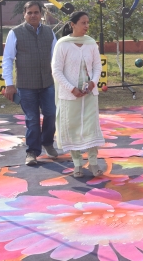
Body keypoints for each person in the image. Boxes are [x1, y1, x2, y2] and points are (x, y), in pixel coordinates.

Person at [3, 1, 58, 166]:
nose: (33, 15)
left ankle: (47, 142)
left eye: (36, 12)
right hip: (26, 85)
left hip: (47, 83)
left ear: (41, 14)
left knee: (51, 114)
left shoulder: (49, 32)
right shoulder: (15, 33)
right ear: (24, 14)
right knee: (32, 119)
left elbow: (56, 58)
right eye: (30, 13)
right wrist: (9, 84)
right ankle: (32, 152)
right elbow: (7, 59)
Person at [51, 11, 104, 179]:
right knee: (72, 127)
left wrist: (93, 82)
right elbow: (56, 71)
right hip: (69, 95)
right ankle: (77, 164)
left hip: (89, 94)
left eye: (88, 22)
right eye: (83, 23)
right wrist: (72, 89)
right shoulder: (63, 44)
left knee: (90, 127)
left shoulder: (91, 43)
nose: (86, 26)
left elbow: (97, 66)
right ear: (72, 25)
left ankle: (93, 162)